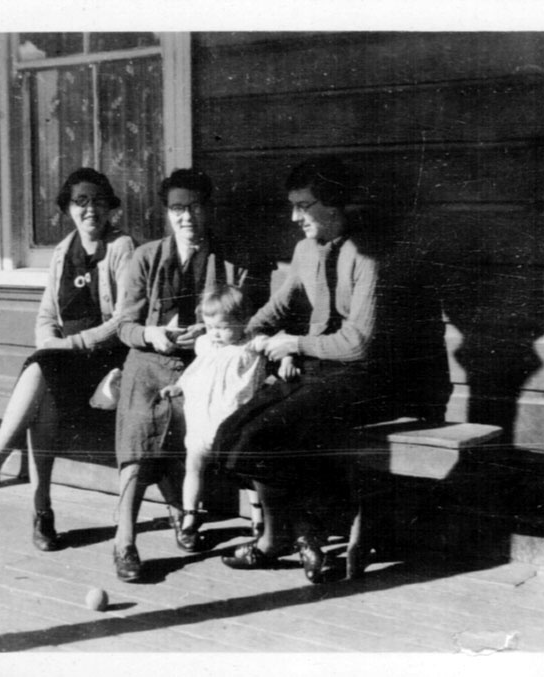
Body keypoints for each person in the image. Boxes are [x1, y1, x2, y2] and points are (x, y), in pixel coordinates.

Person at [214, 156, 389, 584]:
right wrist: (247, 337)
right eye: (293, 206)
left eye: (304, 206)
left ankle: (286, 539)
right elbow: (277, 307)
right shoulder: (306, 250)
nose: (295, 217)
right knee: (229, 438)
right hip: (311, 369)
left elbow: (358, 343)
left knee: (267, 436)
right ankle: (301, 536)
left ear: (334, 204)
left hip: (359, 378)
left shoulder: (366, 255)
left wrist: (294, 344)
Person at [0, 168, 134, 552]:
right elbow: (46, 317)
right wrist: (51, 345)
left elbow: (125, 319)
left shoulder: (122, 247)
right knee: (41, 386)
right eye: (80, 201)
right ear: (68, 209)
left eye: (97, 200)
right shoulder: (64, 252)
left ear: (110, 207)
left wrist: (70, 345)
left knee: (41, 370)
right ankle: (39, 505)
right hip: (67, 362)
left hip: (111, 363)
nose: (89, 208)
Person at [112, 168, 254, 583]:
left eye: (193, 206)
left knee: (192, 423)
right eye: (177, 208)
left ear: (207, 209)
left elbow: (248, 322)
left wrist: (209, 336)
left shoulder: (230, 263)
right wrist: (153, 333)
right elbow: (124, 325)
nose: (186, 216)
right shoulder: (146, 257)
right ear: (167, 213)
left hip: (205, 364)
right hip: (148, 359)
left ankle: (185, 517)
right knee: (138, 433)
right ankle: (125, 541)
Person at [158, 284, 278, 551]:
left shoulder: (250, 344)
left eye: (222, 327)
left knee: (247, 471)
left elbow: (275, 345)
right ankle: (190, 517)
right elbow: (196, 370)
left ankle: (259, 520)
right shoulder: (206, 345)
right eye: (210, 327)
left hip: (232, 423)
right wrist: (179, 385)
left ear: (243, 321)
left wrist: (289, 356)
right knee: (194, 466)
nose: (215, 334)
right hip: (202, 420)